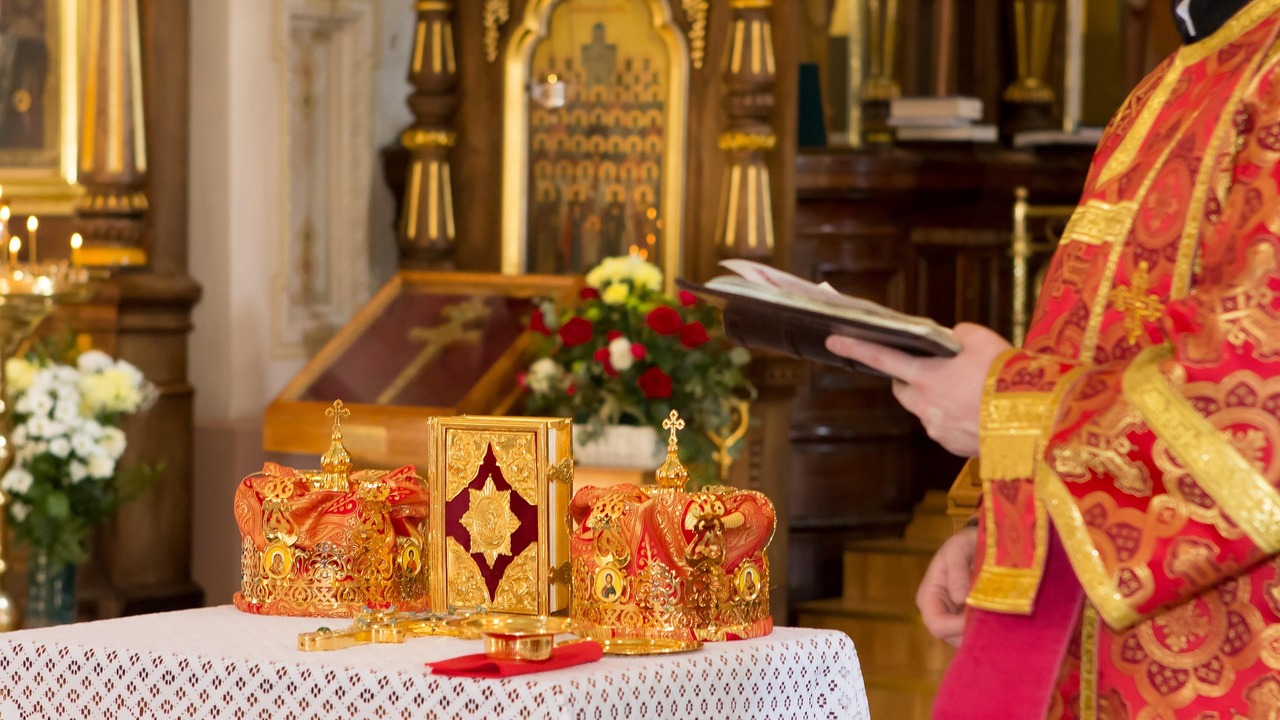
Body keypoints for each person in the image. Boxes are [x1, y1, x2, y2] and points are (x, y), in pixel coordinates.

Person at [826, 1, 1280, 717]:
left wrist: (1008, 413)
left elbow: (1260, 401)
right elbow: (1095, 347)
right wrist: (1004, 524)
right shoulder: (1169, 84)